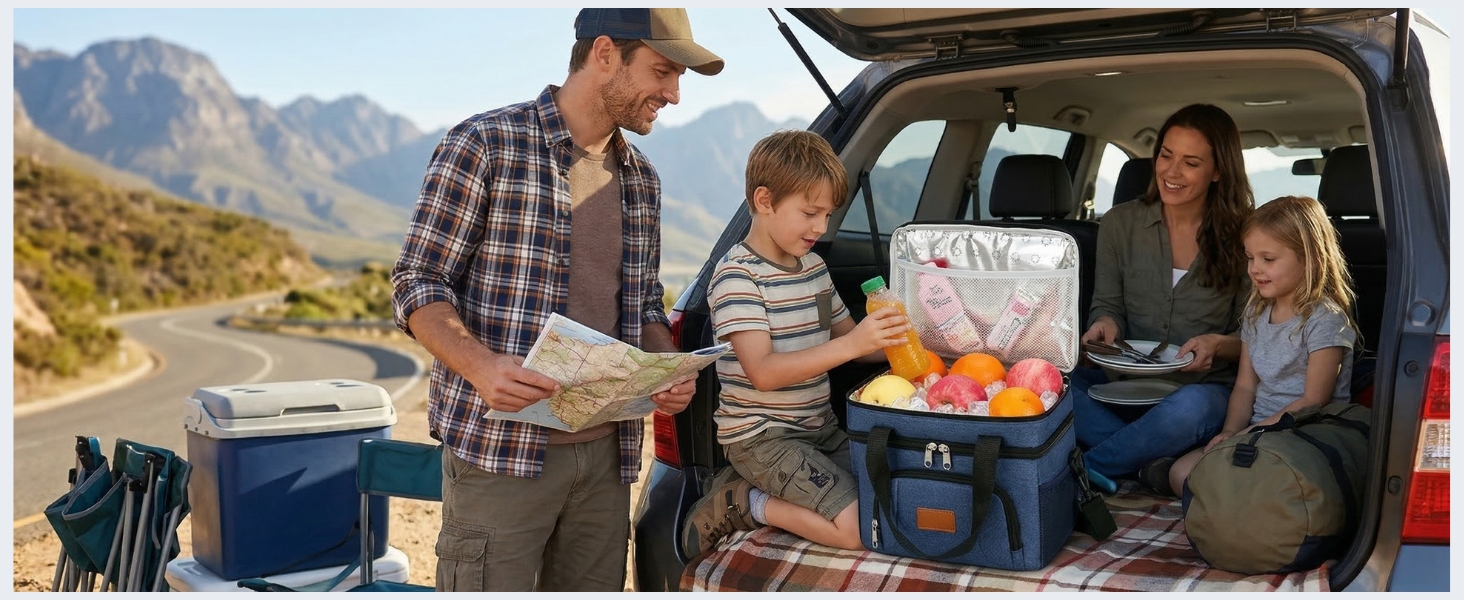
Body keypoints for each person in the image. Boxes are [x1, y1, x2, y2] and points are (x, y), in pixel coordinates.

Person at [389, 8, 723, 592]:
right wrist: (481, 366)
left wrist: (663, 365)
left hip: (606, 464)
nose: (672, 94)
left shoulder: (642, 179)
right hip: (500, 458)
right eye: (662, 71)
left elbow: (644, 303)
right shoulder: (484, 145)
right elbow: (418, 281)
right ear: (603, 54)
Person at [679, 130, 912, 556]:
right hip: (762, 438)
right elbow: (763, 373)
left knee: (894, 503)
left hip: (818, 430)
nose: (821, 228)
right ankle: (744, 501)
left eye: (827, 215)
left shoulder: (814, 268)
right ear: (765, 201)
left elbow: (852, 341)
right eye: (810, 213)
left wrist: (905, 339)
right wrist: (854, 344)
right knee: (857, 531)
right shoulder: (738, 277)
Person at [1073, 103, 1255, 492]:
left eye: (1190, 162)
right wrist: (1104, 325)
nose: (1171, 172)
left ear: (1218, 171)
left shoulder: (1246, 237)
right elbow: (1107, 306)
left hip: (1198, 395)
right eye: (1166, 155)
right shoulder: (1119, 223)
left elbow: (1256, 342)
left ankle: (1078, 472)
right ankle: (1147, 464)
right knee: (1052, 383)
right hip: (1118, 387)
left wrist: (1218, 345)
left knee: (1192, 409)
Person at [1145, 195, 1358, 496]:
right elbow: (1245, 386)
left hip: (1305, 437)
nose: (1254, 269)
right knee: (1182, 474)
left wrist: (1249, 434)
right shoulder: (1256, 312)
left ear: (1309, 256)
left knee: (1235, 485)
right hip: (1255, 432)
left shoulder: (1325, 320)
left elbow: (1313, 401)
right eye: (1250, 257)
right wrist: (1230, 432)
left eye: (1268, 259)